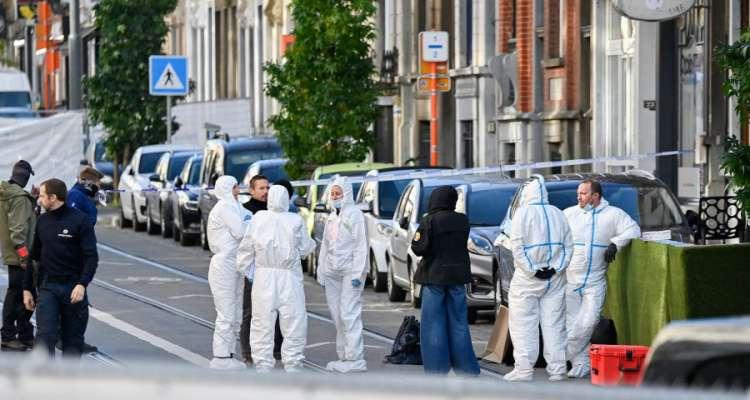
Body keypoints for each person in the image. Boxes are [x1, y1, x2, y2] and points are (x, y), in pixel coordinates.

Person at [563, 179, 640, 378]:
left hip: (594, 282)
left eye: (583, 193)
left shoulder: (613, 215)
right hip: (570, 279)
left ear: (595, 196)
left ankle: (561, 353)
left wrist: (616, 243)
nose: (578, 197)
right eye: (578, 193)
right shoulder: (569, 214)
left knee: (588, 322)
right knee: (572, 322)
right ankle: (581, 364)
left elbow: (633, 230)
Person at [237, 185, 315, 372]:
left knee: (261, 322)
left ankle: (263, 365)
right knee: (293, 321)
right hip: (288, 276)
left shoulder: (258, 219)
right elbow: (305, 249)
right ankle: (293, 364)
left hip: (263, 277)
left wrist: (249, 272)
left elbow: (245, 250)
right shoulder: (295, 220)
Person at [504, 175, 573, 382]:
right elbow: (569, 246)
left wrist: (533, 270)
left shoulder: (522, 214)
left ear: (526, 195)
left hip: (527, 280)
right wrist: (556, 268)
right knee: (554, 324)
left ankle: (524, 370)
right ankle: (558, 369)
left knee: (523, 323)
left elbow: (517, 247)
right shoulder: (558, 214)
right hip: (555, 279)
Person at [22, 178, 98, 358]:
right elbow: (34, 257)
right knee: (45, 336)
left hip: (73, 288)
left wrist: (82, 284)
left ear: (53, 197)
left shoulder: (81, 221)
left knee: (72, 341)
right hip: (48, 288)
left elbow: (91, 257)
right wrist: (27, 288)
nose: (39, 200)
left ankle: (68, 383)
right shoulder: (42, 221)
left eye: (41, 196)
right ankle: (47, 381)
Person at [410, 185, 480, 376]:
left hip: (434, 278)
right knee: (459, 324)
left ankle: (437, 370)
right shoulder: (462, 220)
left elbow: (418, 248)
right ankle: (466, 369)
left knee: (433, 324)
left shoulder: (429, 220)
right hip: (458, 278)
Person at [316, 177, 369, 373]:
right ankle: (344, 356)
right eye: (333, 193)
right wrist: (321, 270)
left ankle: (356, 358)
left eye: (338, 193)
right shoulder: (332, 216)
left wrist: (358, 272)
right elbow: (326, 246)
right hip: (332, 272)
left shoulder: (354, 215)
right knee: (338, 315)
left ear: (347, 194)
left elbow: (361, 245)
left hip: (349, 272)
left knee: (349, 314)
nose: (335, 197)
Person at [206, 175, 251, 370]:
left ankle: (229, 353)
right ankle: (221, 356)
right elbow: (241, 231)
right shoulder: (224, 208)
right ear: (226, 188)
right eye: (234, 187)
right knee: (226, 312)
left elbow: (249, 218)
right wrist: (251, 225)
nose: (238, 191)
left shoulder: (234, 207)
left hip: (235, 264)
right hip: (224, 264)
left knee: (235, 312)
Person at [239, 175, 284, 363]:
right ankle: (248, 350)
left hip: (275, 269)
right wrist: (247, 270)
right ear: (252, 190)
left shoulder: (275, 211)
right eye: (261, 188)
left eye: (268, 188)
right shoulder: (245, 211)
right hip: (255, 268)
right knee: (251, 310)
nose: (265, 192)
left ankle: (277, 348)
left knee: (279, 308)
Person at [0, 160, 37, 351]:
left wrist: (32, 201)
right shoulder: (19, 198)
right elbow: (18, 231)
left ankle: (23, 333)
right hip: (21, 256)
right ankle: (10, 334)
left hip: (10, 253)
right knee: (23, 295)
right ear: (27, 176)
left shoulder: (6, 193)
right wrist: (24, 258)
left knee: (16, 294)